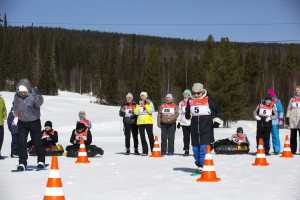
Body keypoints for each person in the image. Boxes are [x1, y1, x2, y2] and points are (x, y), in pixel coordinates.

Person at [185, 83, 222, 171]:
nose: (196, 95)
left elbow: (217, 111)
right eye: (194, 93)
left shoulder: (208, 99)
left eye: (198, 93)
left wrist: (216, 121)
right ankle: (199, 163)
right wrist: (187, 114)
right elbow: (188, 111)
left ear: (202, 92)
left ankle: (202, 165)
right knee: (195, 149)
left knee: (203, 148)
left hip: (206, 127)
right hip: (194, 128)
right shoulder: (190, 101)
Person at [13, 79, 45, 171]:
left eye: (24, 91)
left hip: (34, 121)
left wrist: (38, 95)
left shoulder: (33, 95)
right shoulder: (17, 96)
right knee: (21, 142)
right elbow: (15, 107)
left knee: (37, 141)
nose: (22, 93)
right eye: (21, 91)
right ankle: (22, 162)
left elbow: (39, 103)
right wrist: (15, 118)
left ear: (28, 89)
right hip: (22, 122)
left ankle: (41, 161)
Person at [134, 91, 155, 156]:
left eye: (144, 96)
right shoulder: (138, 103)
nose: (142, 97)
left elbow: (151, 111)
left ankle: (153, 150)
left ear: (146, 96)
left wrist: (145, 105)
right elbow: (136, 112)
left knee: (150, 136)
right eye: (141, 96)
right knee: (142, 137)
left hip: (148, 122)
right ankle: (145, 151)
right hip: (140, 122)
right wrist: (139, 106)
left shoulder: (149, 103)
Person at [267, 88, 284, 154]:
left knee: (275, 135)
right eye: (270, 95)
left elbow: (281, 112)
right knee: (267, 136)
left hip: (275, 121)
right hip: (267, 121)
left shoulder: (277, 102)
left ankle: (277, 149)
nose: (272, 97)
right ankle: (266, 148)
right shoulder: (266, 101)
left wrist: (281, 121)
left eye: (272, 95)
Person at [177, 89, 192, 156]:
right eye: (184, 94)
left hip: (192, 122)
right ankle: (186, 150)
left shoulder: (192, 101)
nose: (185, 95)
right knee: (186, 137)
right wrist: (179, 122)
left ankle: (196, 150)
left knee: (194, 137)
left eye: (187, 94)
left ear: (189, 95)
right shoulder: (181, 103)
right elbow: (180, 113)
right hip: (183, 122)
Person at [286, 85, 300, 154]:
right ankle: (293, 150)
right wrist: (287, 118)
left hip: (299, 120)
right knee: (293, 136)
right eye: (296, 90)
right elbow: (289, 109)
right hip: (293, 120)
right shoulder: (292, 99)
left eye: (299, 90)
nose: (297, 92)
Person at [0, 94, 7, 159]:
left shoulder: (1, 99)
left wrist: (5, 114)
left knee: (1, 139)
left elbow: (4, 109)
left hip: (1, 123)